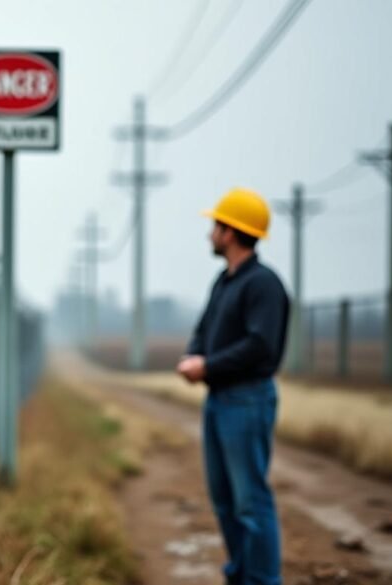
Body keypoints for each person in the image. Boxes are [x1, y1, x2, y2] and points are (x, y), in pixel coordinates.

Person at [177, 187, 290, 585]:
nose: (210, 233)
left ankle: (261, 580)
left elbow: (260, 346)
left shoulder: (263, 285)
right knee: (225, 500)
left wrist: (208, 365)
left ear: (230, 232)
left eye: (215, 226)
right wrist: (195, 357)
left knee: (250, 501)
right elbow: (205, 329)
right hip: (220, 399)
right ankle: (240, 574)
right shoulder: (225, 282)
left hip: (247, 399)